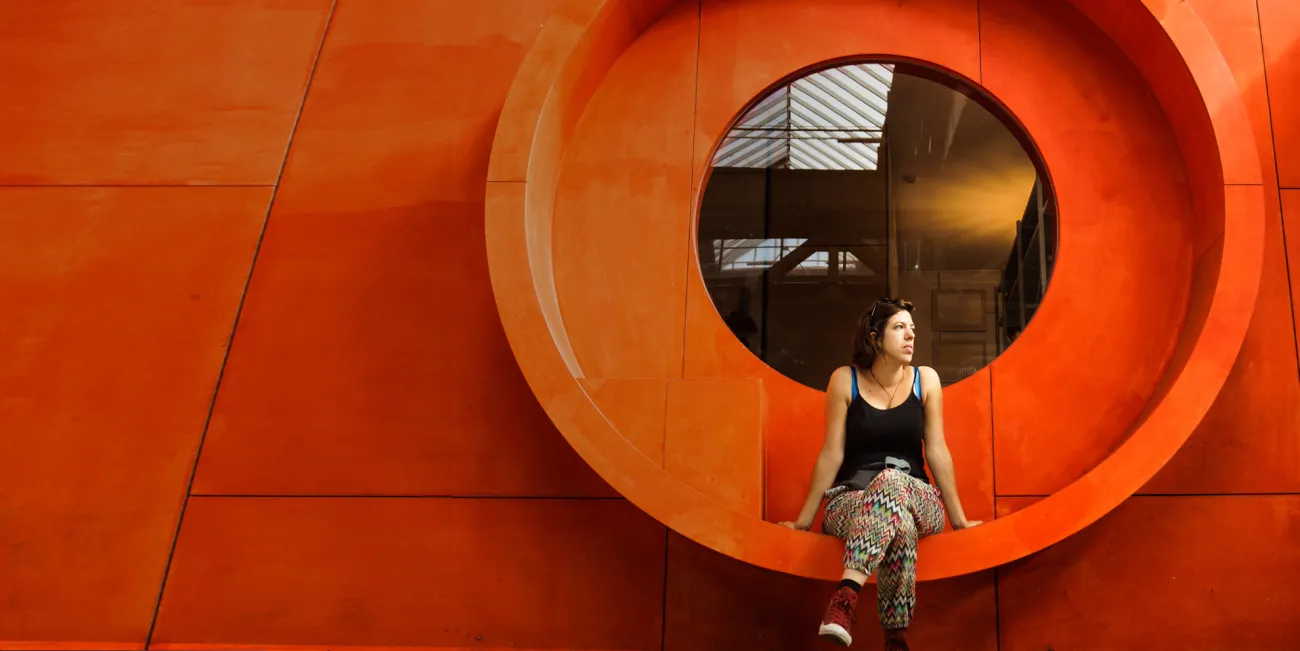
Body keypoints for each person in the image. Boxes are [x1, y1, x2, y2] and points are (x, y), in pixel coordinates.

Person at [778, 297, 982, 650]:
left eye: (913, 330)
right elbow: (832, 453)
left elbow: (936, 451)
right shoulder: (845, 380)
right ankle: (897, 639)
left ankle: (845, 598)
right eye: (899, 328)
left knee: (891, 479)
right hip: (851, 500)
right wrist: (803, 522)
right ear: (874, 337)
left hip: (919, 498)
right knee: (897, 522)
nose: (910, 336)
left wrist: (959, 520)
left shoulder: (926, 381)